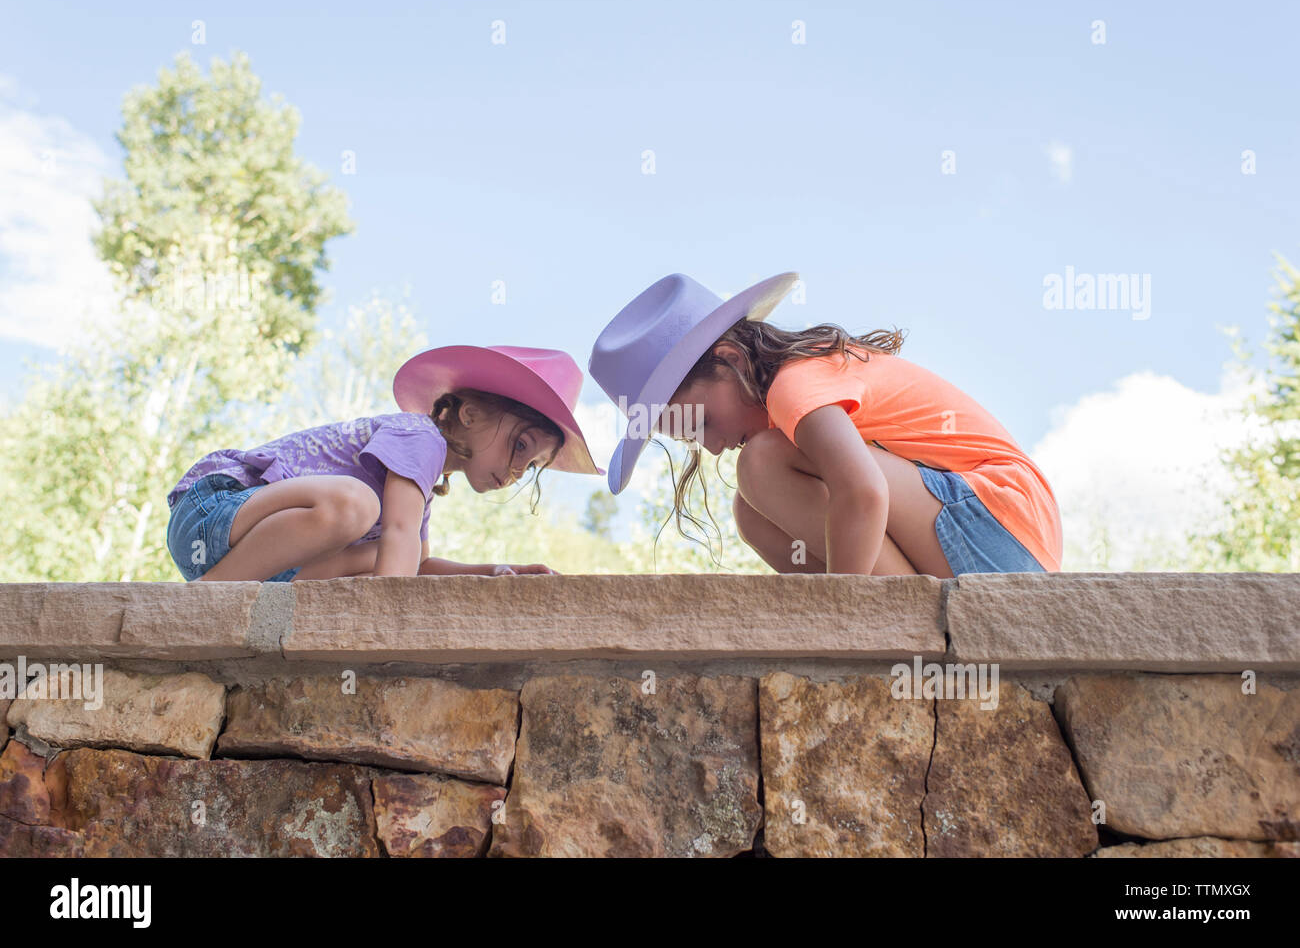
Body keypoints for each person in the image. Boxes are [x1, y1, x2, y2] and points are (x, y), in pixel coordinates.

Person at [588, 272, 1062, 577]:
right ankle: (891, 613)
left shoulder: (795, 386)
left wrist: (841, 616)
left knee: (762, 462)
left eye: (704, 423)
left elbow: (863, 492)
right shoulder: (790, 400)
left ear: (730, 360)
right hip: (986, 545)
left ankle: (866, 615)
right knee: (751, 510)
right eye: (693, 438)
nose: (712, 448)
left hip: (1001, 529)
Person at [165, 345, 602, 581]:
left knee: (389, 549)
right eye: (521, 446)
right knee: (357, 505)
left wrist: (496, 572)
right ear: (469, 414)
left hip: (262, 564)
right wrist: (387, 627)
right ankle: (213, 596)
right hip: (215, 514)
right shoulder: (420, 436)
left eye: (533, 466)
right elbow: (398, 538)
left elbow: (415, 563)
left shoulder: (418, 496)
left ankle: (221, 590)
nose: (518, 471)